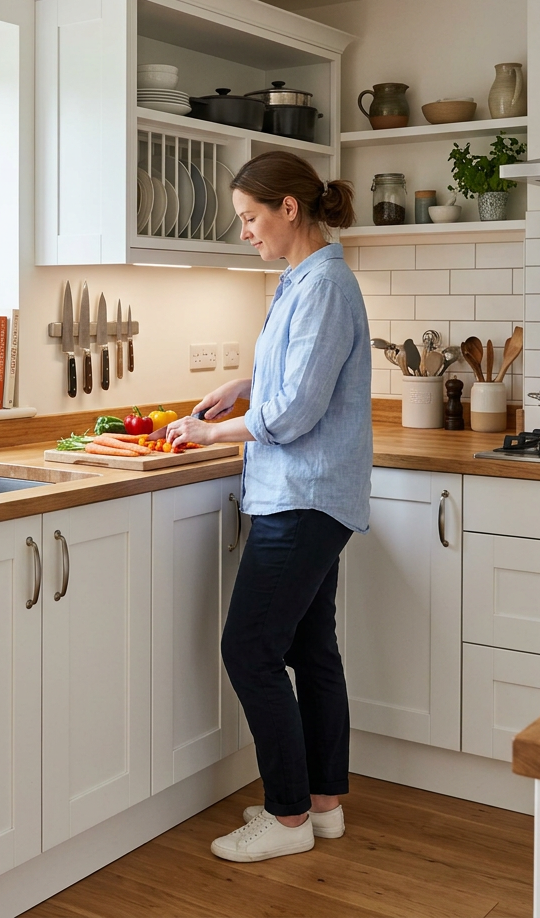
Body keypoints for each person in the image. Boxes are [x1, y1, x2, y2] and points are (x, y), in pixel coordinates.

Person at [165, 150, 372, 863]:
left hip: (303, 495)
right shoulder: (304, 279)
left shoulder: (323, 285)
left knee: (248, 648)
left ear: (289, 209)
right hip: (310, 493)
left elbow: (297, 409)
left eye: (251, 218)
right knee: (311, 648)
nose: (245, 232)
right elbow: (290, 371)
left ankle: (286, 821)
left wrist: (210, 430)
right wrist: (240, 384)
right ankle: (321, 803)